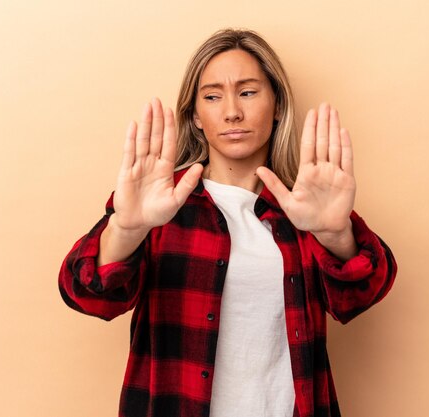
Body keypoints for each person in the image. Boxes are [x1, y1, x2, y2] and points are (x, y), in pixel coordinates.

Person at [59, 28, 397, 417]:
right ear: (196, 117)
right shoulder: (160, 204)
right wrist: (127, 229)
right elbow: (86, 295)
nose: (232, 111)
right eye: (213, 96)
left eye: (248, 92)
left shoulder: (305, 206)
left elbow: (361, 296)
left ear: (278, 106)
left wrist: (337, 234)